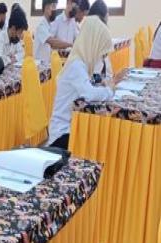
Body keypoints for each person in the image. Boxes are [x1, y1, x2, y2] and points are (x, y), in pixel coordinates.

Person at [48, 16, 118, 149]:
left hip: (71, 127)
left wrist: (101, 85)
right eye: (101, 53)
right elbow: (89, 94)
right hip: (63, 133)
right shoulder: (76, 65)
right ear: (93, 46)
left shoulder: (81, 63)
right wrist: (109, 90)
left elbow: (87, 87)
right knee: (99, 143)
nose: (101, 58)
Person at [34, 0, 73, 65]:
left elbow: (50, 46)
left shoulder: (49, 25)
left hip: (46, 64)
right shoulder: (41, 25)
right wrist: (71, 45)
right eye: (53, 6)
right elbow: (53, 42)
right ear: (46, 8)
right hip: (38, 65)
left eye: (56, 7)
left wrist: (60, 50)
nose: (55, 10)